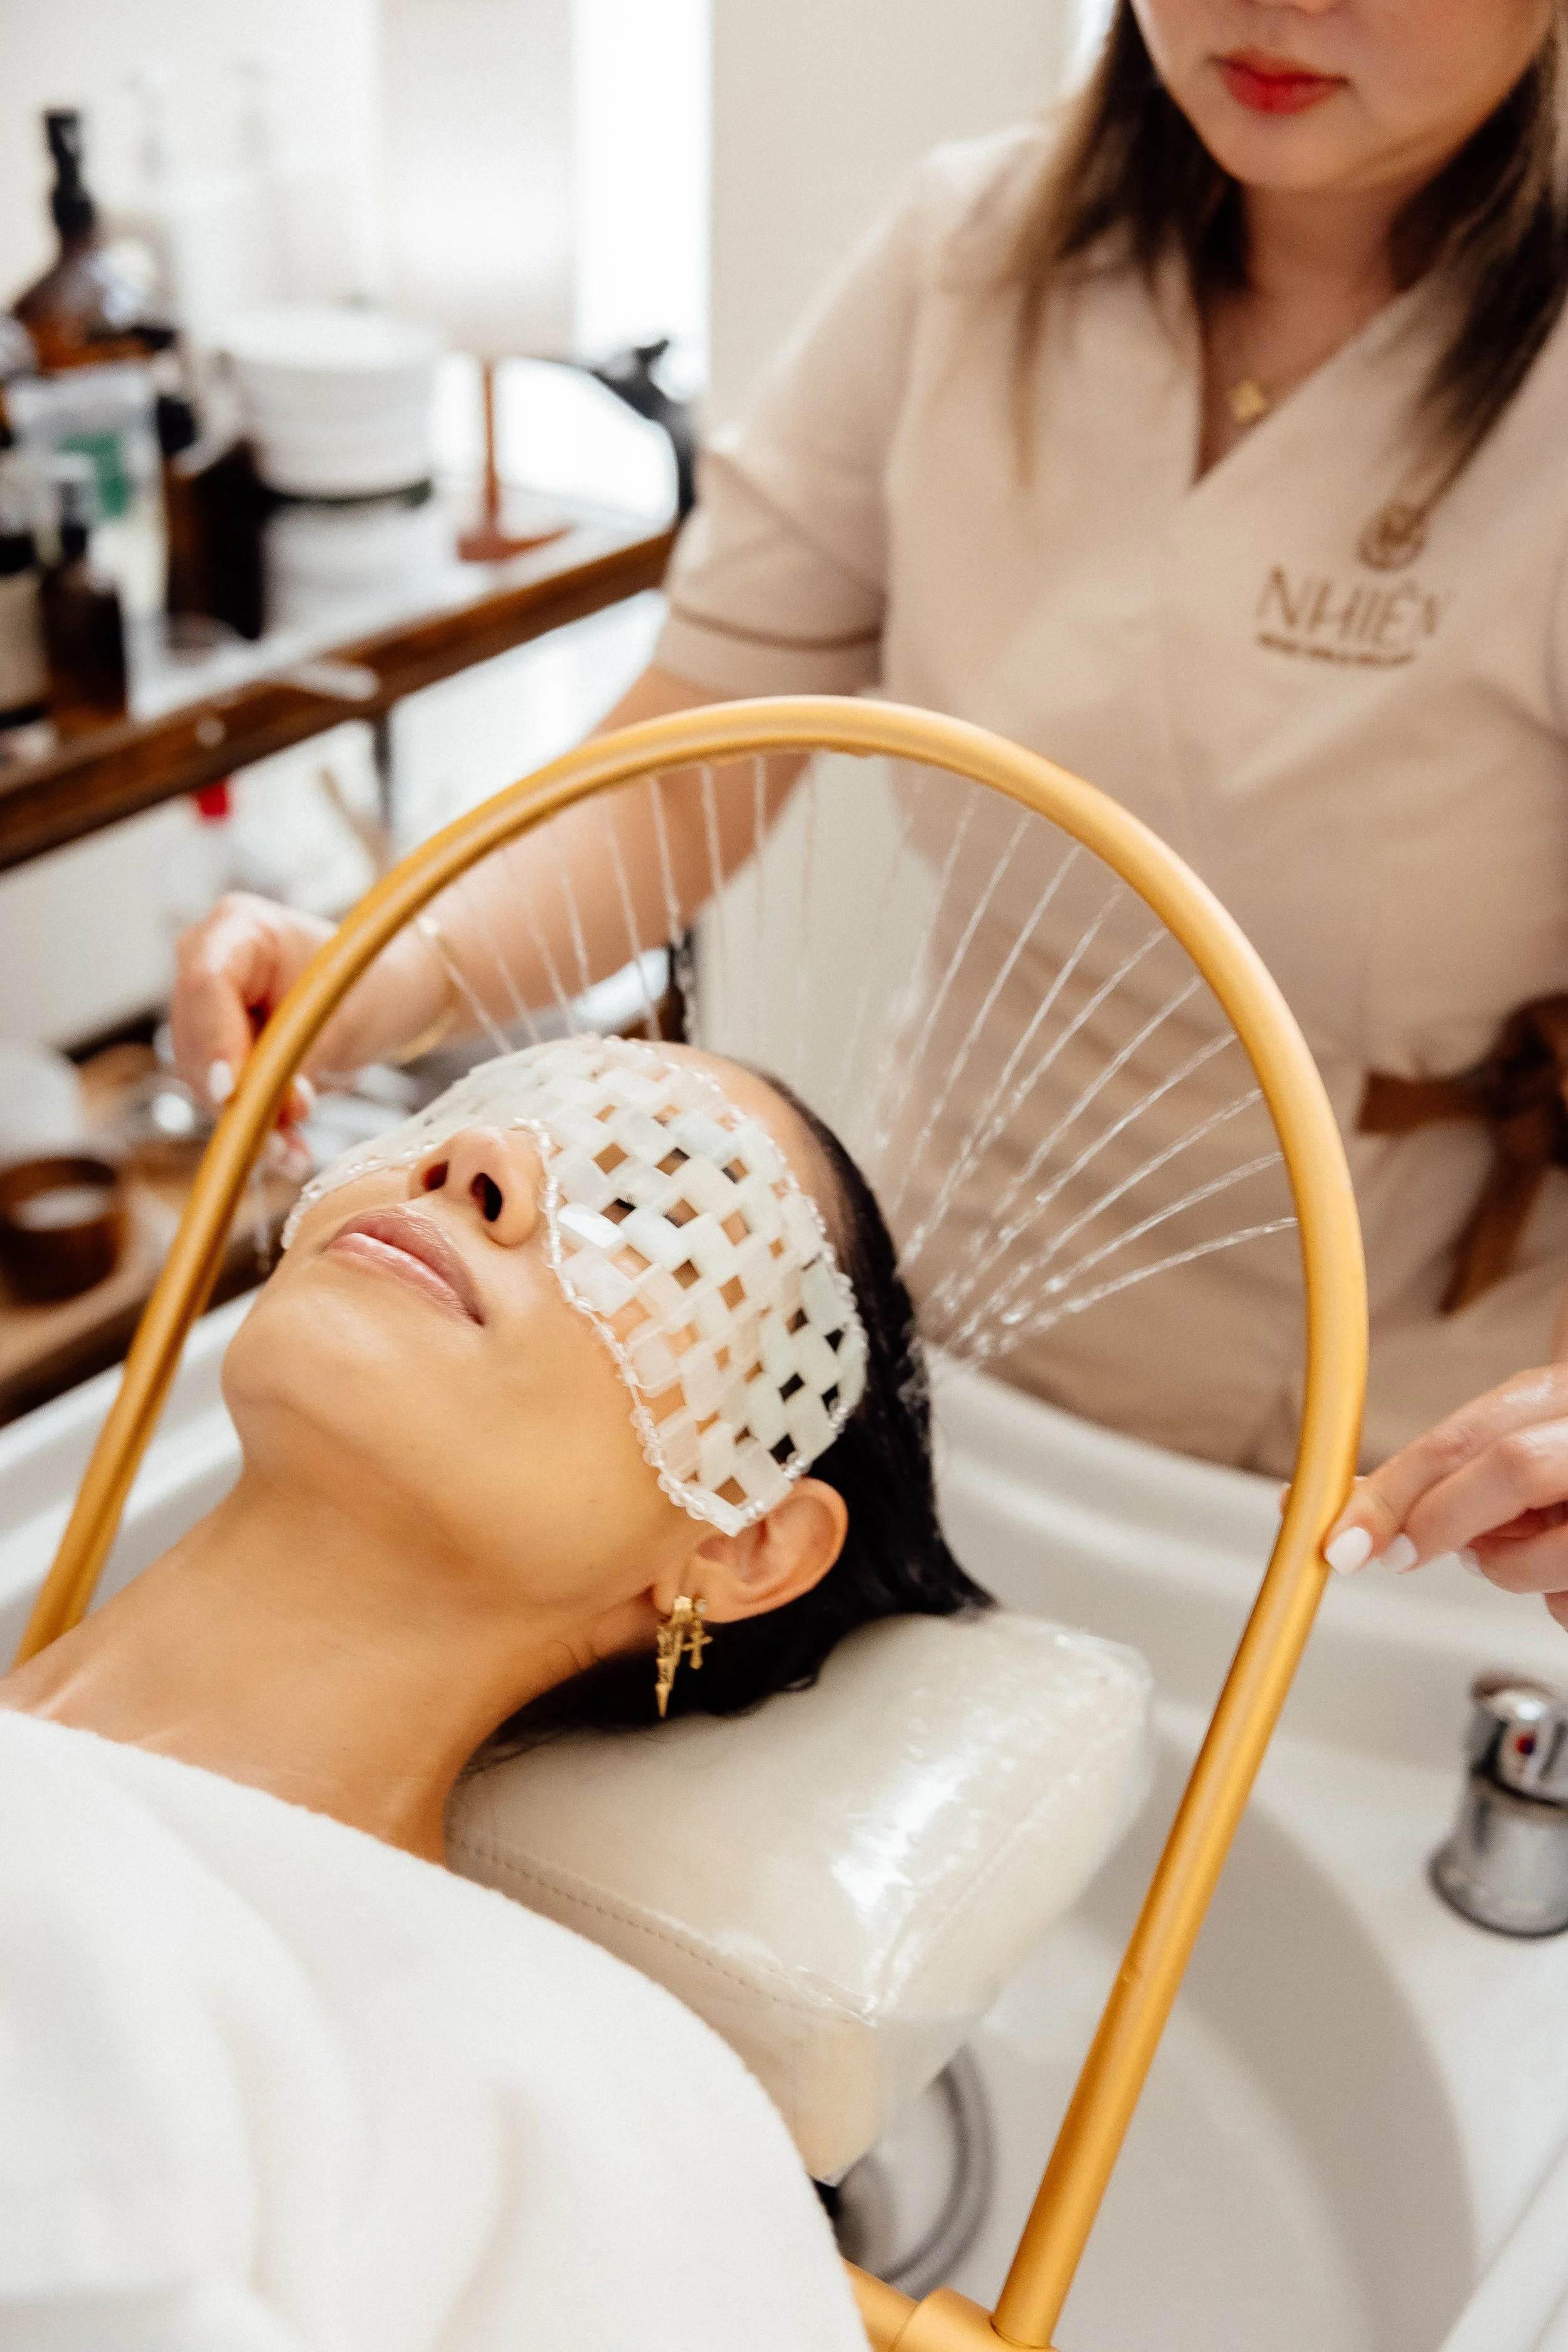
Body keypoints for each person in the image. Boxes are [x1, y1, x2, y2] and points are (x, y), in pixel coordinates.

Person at [168, 0, 1568, 1622]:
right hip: (948, 1302)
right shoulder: (965, 258)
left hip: (1402, 1413)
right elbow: (678, 759)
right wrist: (363, 974)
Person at [0, 1038, 983, 2351]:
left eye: (649, 1209)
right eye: (488, 1111)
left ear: (737, 1544)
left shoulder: (596, 2106)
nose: (479, 1161)